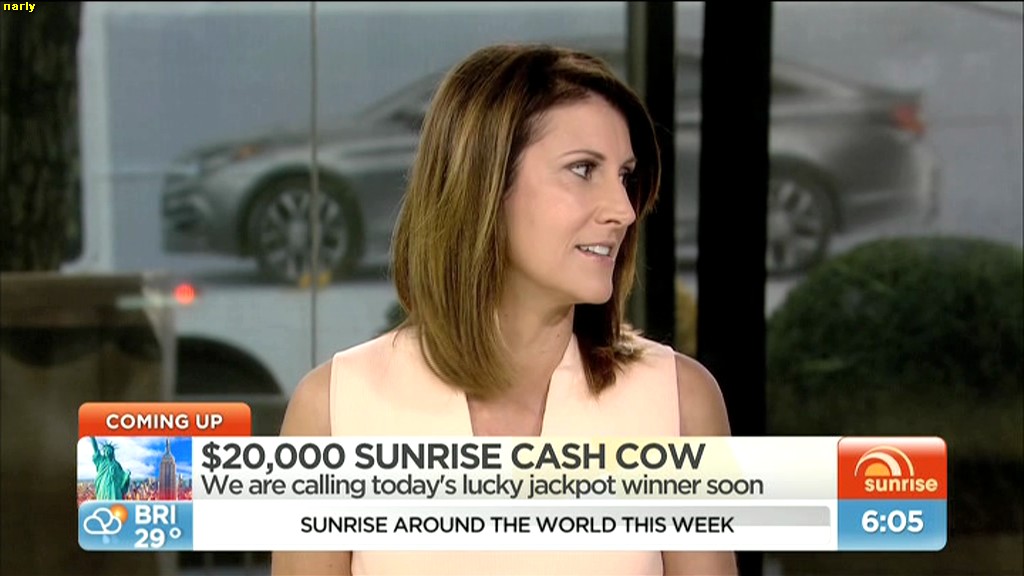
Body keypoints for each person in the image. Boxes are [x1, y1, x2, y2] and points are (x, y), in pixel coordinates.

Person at [272, 43, 736, 576]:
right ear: (485, 185)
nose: (624, 211)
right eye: (583, 169)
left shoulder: (678, 402)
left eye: (625, 177)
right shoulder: (333, 411)